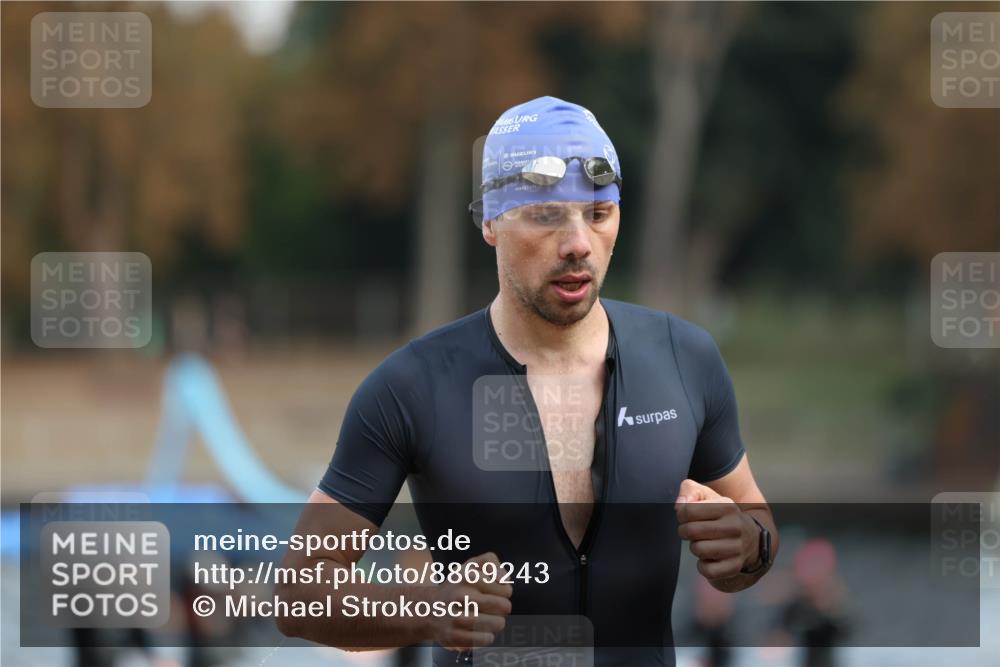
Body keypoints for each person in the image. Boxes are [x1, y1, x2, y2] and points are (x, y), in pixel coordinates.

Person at [276, 96, 778, 667]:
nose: (578, 244)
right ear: (490, 220)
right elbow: (299, 594)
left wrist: (750, 545)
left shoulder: (684, 358)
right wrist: (426, 610)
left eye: (598, 213)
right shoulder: (411, 387)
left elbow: (754, 526)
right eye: (546, 214)